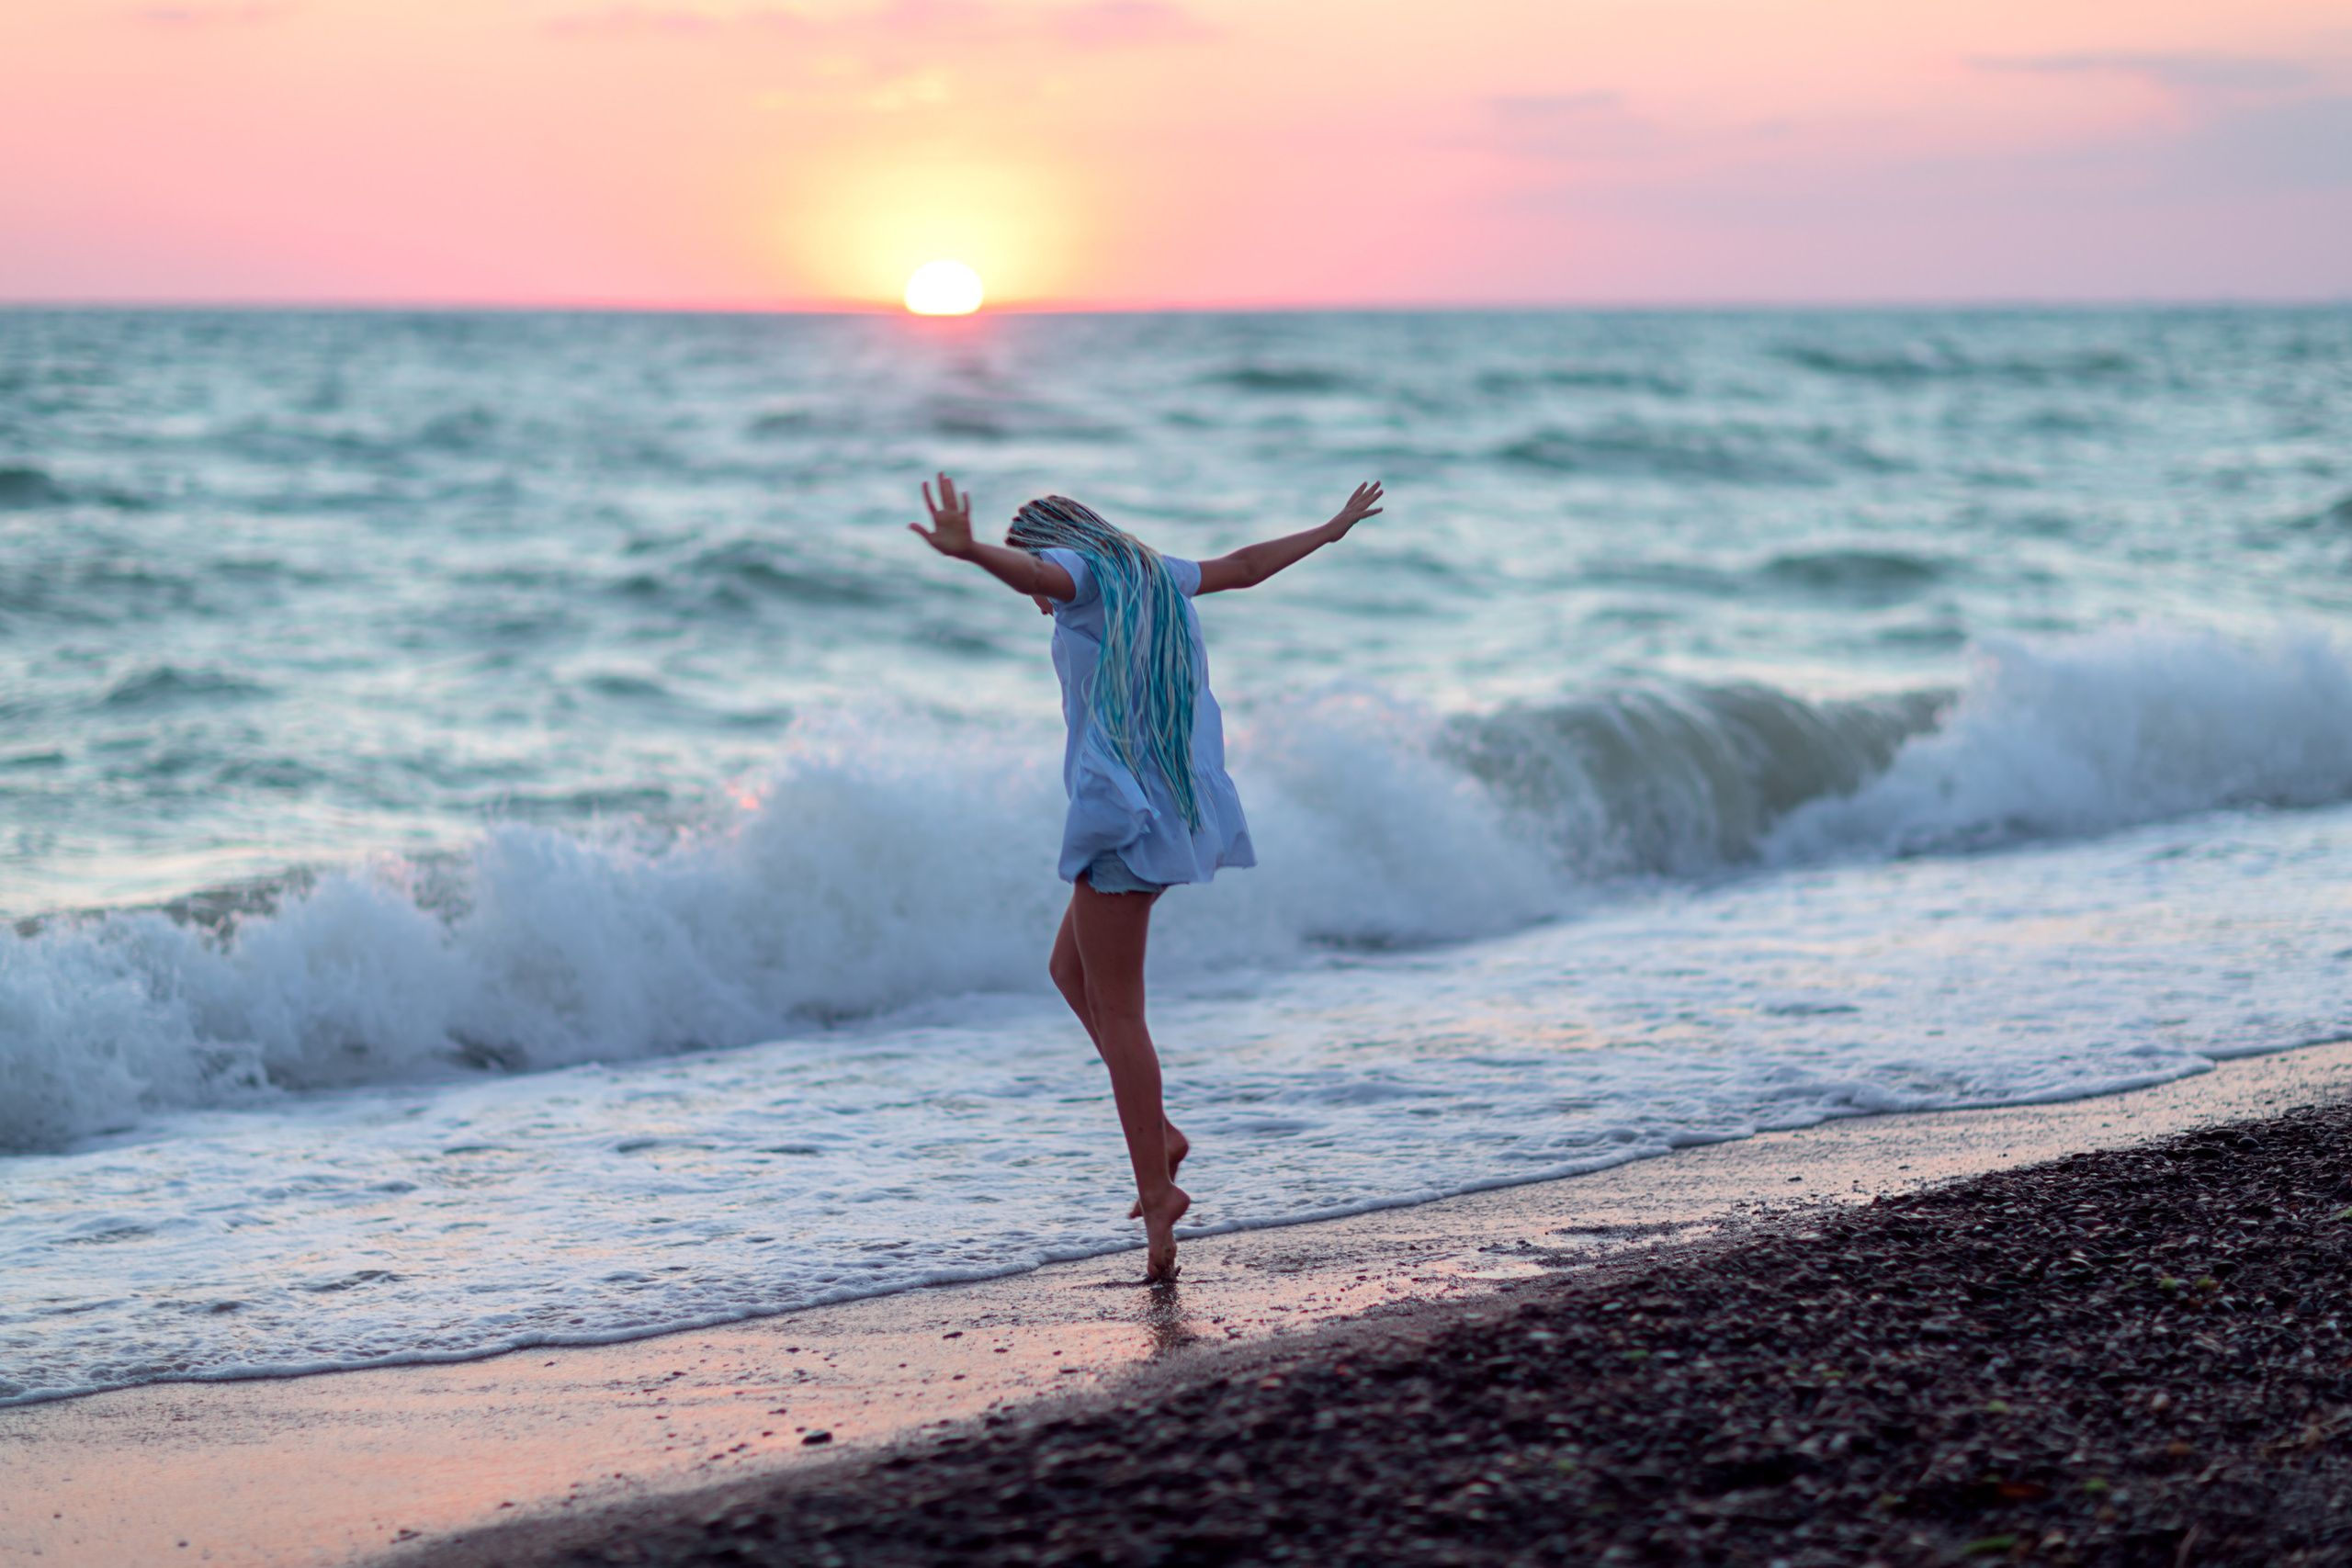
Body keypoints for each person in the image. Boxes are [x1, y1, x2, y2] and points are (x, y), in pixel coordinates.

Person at [910, 474, 1385, 1280]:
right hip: (1166, 808)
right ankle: (1159, 1133)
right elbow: (1244, 566)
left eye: (1042, 577)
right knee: (1069, 971)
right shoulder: (1152, 574)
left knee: (1122, 1012)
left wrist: (971, 554)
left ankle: (1159, 1194)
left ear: (1058, 545)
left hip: (1122, 818)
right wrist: (1328, 529)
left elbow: (1037, 576)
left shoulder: (1082, 574)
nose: (1042, 601)